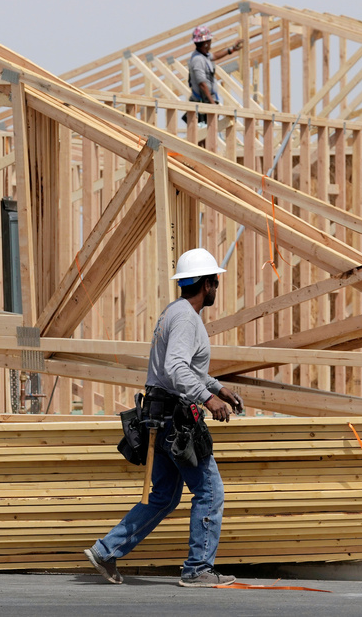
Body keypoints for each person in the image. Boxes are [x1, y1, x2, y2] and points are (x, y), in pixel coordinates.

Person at [84, 247, 244, 588]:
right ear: (207, 283)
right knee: (210, 492)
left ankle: (106, 550)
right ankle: (198, 568)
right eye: (215, 279)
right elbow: (174, 368)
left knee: (163, 497)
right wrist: (209, 399)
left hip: (162, 418)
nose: (217, 285)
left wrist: (218, 387)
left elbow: (185, 367)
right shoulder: (187, 318)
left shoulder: (176, 312)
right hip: (175, 421)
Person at [187, 26, 242, 124]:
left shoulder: (204, 56)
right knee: (204, 136)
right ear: (205, 43)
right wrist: (212, 103)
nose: (211, 42)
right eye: (209, 41)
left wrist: (232, 50)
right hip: (203, 105)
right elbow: (202, 83)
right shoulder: (198, 60)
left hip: (207, 103)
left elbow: (215, 56)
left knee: (208, 135)